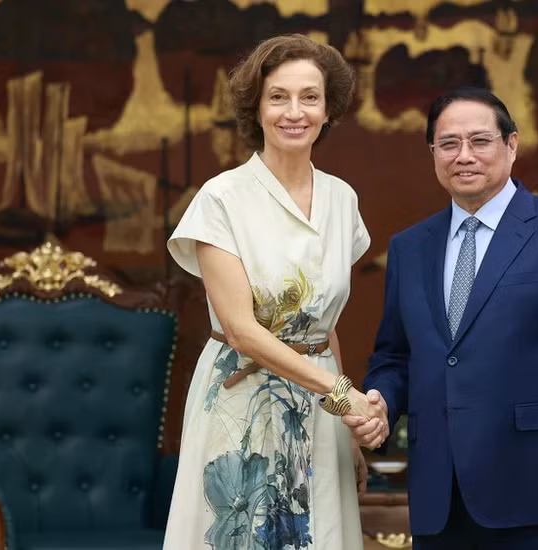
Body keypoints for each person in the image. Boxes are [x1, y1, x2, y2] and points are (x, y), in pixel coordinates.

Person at [344, 86, 538, 549]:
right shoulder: (410, 247)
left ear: (511, 146)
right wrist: (381, 403)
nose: (463, 156)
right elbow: (395, 355)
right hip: (439, 495)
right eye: (448, 144)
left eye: (480, 141)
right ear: (433, 154)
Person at [164, 34, 383, 550]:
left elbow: (323, 325)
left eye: (310, 97)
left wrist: (348, 424)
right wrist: (341, 394)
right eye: (278, 96)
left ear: (329, 109)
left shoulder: (341, 198)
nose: (295, 112)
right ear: (256, 107)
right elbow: (241, 329)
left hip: (324, 401)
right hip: (242, 399)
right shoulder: (222, 198)